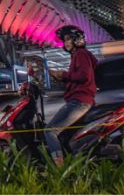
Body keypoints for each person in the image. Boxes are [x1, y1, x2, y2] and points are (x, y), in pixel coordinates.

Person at [45, 25, 98, 166]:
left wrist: (63, 74)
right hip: (80, 101)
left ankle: (59, 168)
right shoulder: (79, 55)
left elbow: (83, 76)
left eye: (68, 39)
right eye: (64, 40)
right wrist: (59, 76)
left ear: (76, 39)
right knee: (65, 137)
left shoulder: (81, 54)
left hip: (79, 102)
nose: (66, 43)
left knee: (50, 131)